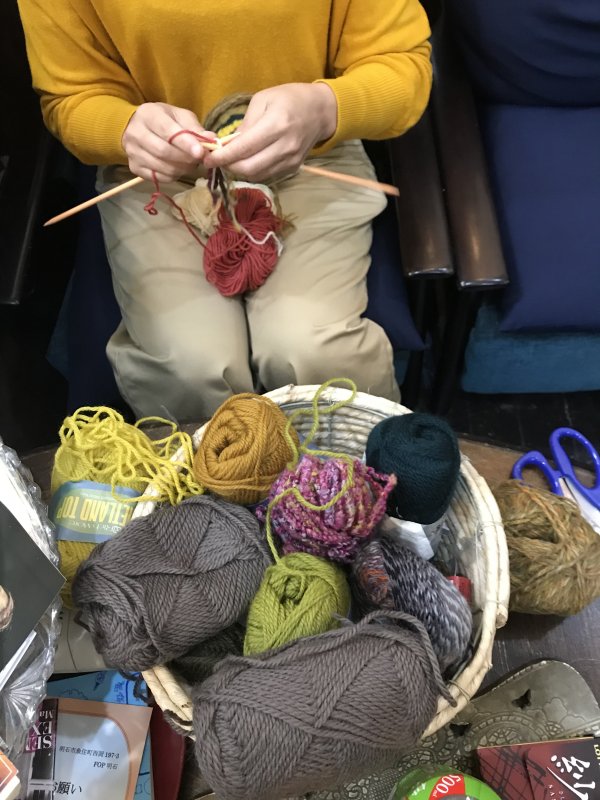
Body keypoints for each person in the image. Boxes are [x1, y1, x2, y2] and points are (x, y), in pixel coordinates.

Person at [17, 0, 432, 421]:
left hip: (310, 152)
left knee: (317, 356)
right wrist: (122, 128)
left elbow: (402, 67)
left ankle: (366, 454)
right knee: (188, 369)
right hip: (156, 171)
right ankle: (217, 462)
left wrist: (326, 107)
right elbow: (71, 96)